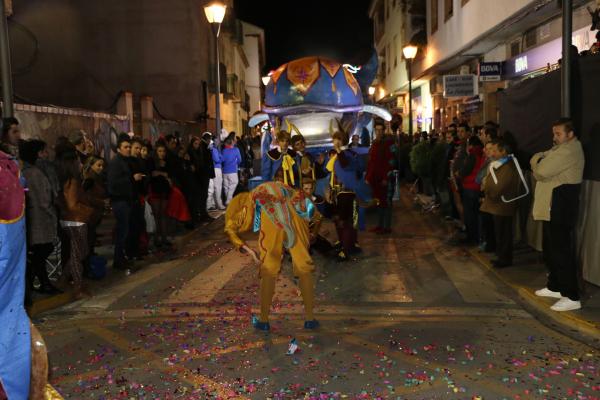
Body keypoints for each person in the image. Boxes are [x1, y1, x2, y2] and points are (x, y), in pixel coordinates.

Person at [224, 180, 318, 332]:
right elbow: (314, 213)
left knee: (269, 268)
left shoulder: (250, 198)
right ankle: (310, 319)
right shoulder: (286, 189)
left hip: (271, 214)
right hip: (295, 209)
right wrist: (312, 232)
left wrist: (247, 249)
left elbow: (231, 228)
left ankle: (264, 320)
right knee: (303, 265)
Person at [531, 118, 584, 312]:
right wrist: (540, 160)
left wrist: (538, 162)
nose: (554, 138)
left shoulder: (569, 150)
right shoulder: (559, 150)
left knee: (561, 250)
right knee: (551, 248)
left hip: (560, 205)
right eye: (554, 133)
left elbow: (541, 171)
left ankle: (572, 296)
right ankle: (556, 286)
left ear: (570, 134)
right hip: (552, 205)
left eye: (558, 134)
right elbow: (542, 161)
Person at [20, 140, 62, 298]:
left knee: (40, 251)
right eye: (44, 151)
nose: (47, 154)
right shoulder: (36, 173)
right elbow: (45, 199)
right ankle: (42, 282)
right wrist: (52, 213)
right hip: (41, 219)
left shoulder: (27, 172)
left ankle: (38, 282)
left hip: (34, 218)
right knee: (42, 250)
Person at [55, 141, 94, 298]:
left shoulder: (62, 177)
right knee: (78, 254)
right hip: (76, 219)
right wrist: (88, 211)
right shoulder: (72, 180)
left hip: (68, 219)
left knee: (79, 252)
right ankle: (78, 288)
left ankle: (64, 279)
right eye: (77, 160)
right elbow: (72, 204)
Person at [479, 139, 520, 269]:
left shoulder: (508, 166)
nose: (493, 153)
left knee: (504, 233)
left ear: (504, 151)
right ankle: (502, 257)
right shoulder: (501, 164)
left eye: (496, 150)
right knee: (500, 233)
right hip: (498, 204)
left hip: (503, 205)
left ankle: (505, 259)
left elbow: (498, 187)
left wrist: (486, 187)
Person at [107, 136, 143, 270]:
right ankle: (119, 259)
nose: (128, 149)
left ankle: (122, 258)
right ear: (118, 149)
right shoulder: (116, 163)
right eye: (125, 147)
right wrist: (132, 178)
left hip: (126, 200)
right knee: (122, 232)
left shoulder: (124, 161)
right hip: (120, 202)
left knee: (125, 231)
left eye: (129, 147)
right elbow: (113, 184)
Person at [326, 129, 361, 261]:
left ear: (342, 140)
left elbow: (346, 165)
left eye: (337, 139)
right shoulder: (337, 155)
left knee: (345, 222)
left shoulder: (350, 154)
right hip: (337, 192)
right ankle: (344, 243)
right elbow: (331, 174)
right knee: (338, 220)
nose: (335, 141)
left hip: (347, 192)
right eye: (334, 139)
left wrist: (339, 151)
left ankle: (345, 250)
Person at [366, 121, 397, 234]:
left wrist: (386, 177)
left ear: (384, 131)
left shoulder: (389, 143)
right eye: (376, 130)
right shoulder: (374, 143)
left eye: (380, 130)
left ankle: (387, 227)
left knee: (387, 203)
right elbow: (372, 162)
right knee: (379, 202)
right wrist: (369, 177)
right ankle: (380, 226)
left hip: (386, 179)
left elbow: (392, 162)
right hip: (376, 179)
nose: (378, 132)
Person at [459, 136, 485, 245]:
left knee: (470, 214)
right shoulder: (482, 154)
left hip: (469, 187)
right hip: (477, 187)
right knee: (475, 214)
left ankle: (471, 238)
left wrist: (459, 174)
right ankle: (477, 237)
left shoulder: (472, 155)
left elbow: (465, 170)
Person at [82, 156, 107, 267]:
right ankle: (88, 264)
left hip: (94, 213)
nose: (101, 168)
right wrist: (102, 202)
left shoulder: (96, 177)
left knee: (91, 239)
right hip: (90, 214)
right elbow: (86, 197)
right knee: (89, 239)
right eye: (98, 165)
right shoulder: (90, 179)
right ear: (91, 165)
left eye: (102, 165)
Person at [148, 143, 173, 249]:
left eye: (163, 151)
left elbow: (170, 174)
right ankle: (156, 238)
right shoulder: (152, 162)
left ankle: (164, 238)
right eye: (160, 151)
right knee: (156, 214)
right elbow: (152, 174)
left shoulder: (167, 162)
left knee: (163, 214)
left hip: (165, 190)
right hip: (155, 190)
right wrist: (162, 174)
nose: (162, 153)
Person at [196, 133, 216, 221]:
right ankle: (203, 214)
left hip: (204, 174)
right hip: (204, 174)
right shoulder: (203, 147)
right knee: (204, 194)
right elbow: (206, 161)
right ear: (208, 139)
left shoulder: (203, 146)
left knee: (204, 194)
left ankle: (203, 213)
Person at [221, 134, 242, 204]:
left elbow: (222, 160)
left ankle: (229, 201)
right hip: (232, 170)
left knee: (226, 186)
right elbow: (240, 160)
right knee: (234, 183)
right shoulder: (236, 150)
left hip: (224, 171)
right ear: (232, 142)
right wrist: (236, 163)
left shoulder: (223, 150)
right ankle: (228, 200)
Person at [207, 133, 225, 210]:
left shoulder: (214, 149)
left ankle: (213, 204)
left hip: (215, 168)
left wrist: (220, 158)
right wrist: (221, 159)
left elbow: (220, 158)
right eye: (217, 140)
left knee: (213, 188)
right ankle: (219, 204)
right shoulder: (214, 150)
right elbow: (218, 159)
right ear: (214, 140)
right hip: (216, 169)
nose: (219, 141)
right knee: (217, 187)